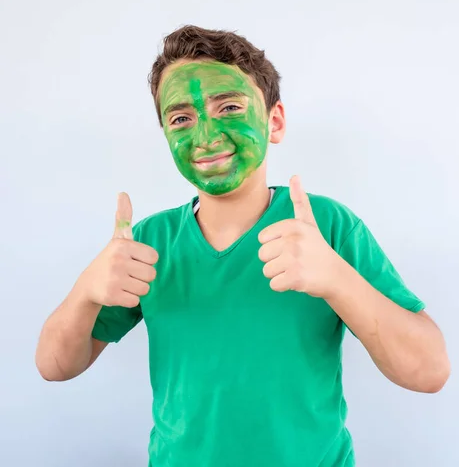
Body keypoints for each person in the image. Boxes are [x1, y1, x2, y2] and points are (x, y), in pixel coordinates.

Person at [35, 25, 450, 467]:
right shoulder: (148, 243)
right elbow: (54, 366)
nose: (206, 135)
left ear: (275, 121)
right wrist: (86, 289)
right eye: (181, 119)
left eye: (229, 107)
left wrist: (336, 279)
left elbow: (429, 371)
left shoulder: (328, 227)